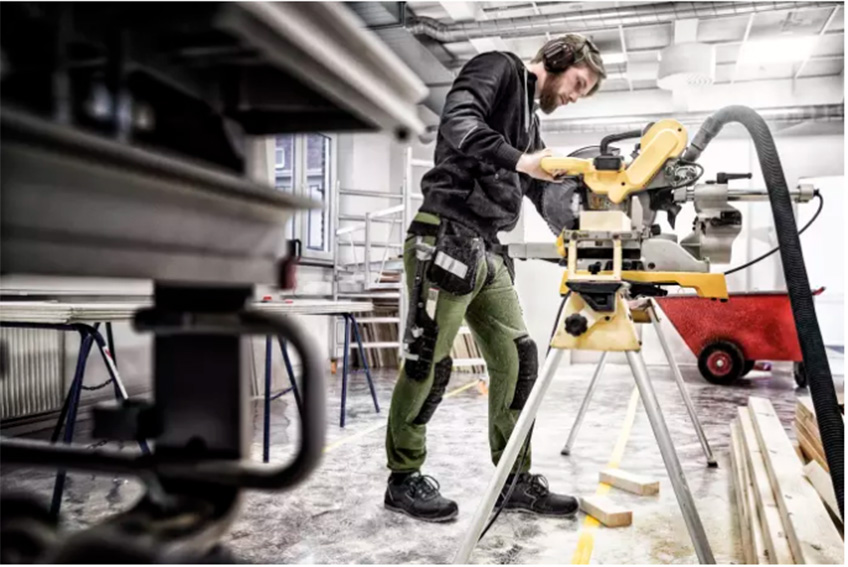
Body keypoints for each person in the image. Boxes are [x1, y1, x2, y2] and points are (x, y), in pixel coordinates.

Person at [384, 34, 606, 523]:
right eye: (578, 84)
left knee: (518, 358)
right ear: (557, 60)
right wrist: (523, 160)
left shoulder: (530, 123)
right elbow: (460, 122)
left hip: (488, 248)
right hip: (444, 236)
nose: (575, 96)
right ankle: (403, 478)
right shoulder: (498, 68)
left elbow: (542, 192)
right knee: (429, 360)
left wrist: (591, 225)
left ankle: (514, 479)